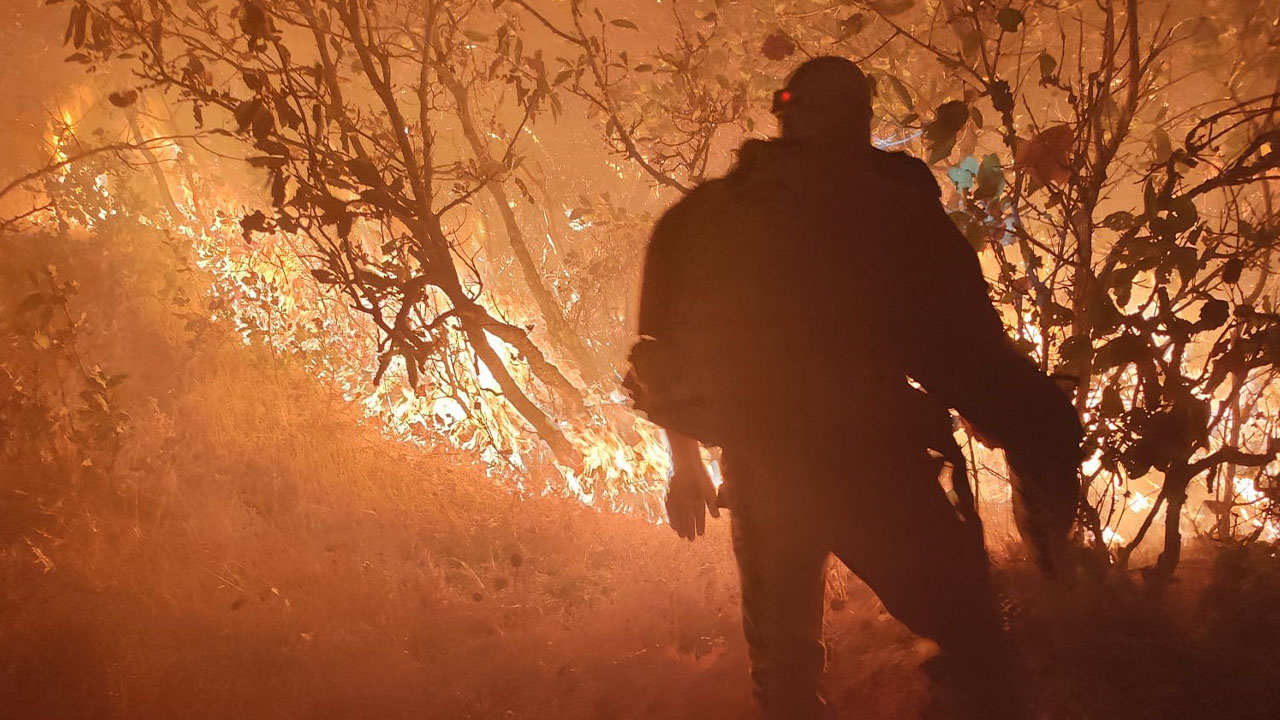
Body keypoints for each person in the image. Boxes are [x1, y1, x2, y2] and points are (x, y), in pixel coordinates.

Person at [626, 56, 1083, 719]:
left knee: (785, 684)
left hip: (762, 471)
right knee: (980, 649)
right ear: (858, 121)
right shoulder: (886, 208)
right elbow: (963, 350)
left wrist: (687, 466)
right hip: (869, 468)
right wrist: (1030, 425)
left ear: (783, 117)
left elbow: (664, 358)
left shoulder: (699, 217)